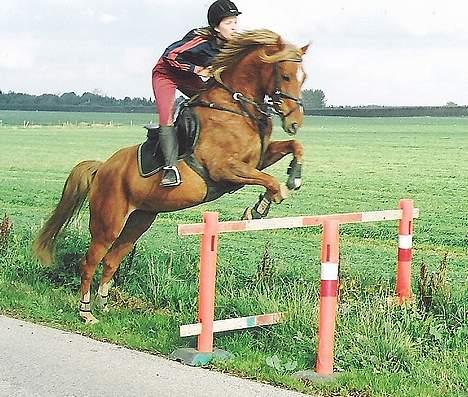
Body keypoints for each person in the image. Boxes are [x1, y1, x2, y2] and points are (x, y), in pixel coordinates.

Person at [152, 0, 241, 187]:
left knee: (210, 103)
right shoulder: (199, 39)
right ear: (216, 27)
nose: (234, 27)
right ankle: (169, 169)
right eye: (228, 23)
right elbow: (170, 55)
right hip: (165, 74)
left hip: (187, 77)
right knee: (166, 117)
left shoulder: (229, 45)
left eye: (235, 22)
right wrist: (198, 70)